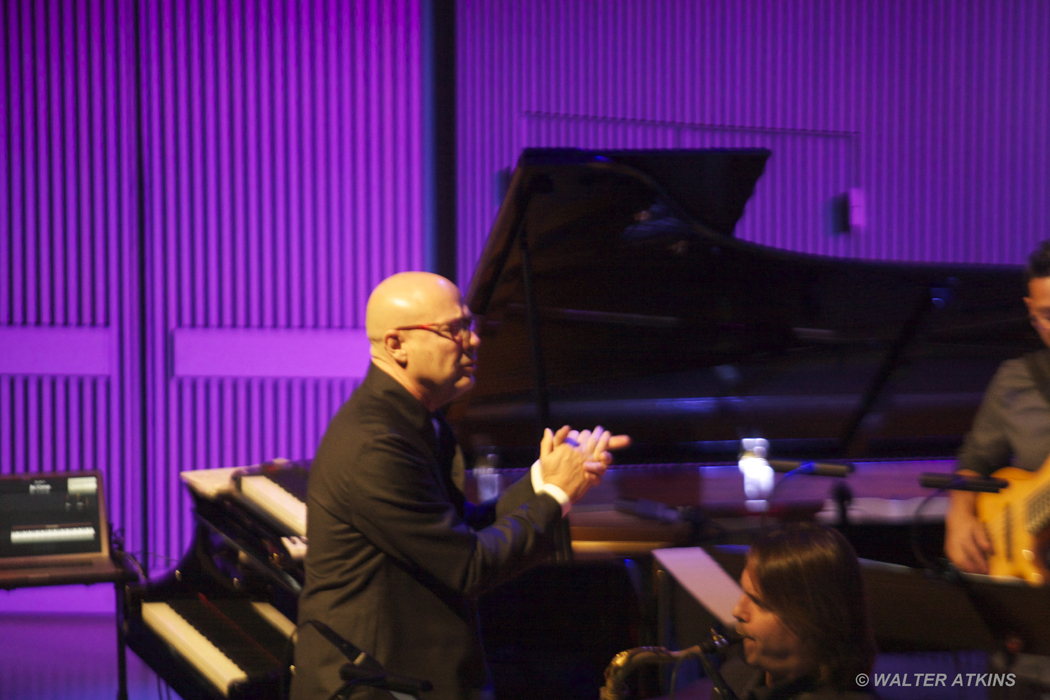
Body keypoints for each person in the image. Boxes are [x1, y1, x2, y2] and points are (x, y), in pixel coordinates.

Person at [290, 271, 628, 700]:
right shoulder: (375, 445)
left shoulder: (412, 419)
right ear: (397, 345)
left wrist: (544, 478)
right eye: (454, 329)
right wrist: (558, 495)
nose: (474, 340)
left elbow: (456, 529)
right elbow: (468, 567)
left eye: (470, 324)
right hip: (376, 685)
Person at [945, 240, 1050, 574]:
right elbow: (975, 460)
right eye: (1048, 315)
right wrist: (959, 516)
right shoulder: (1016, 379)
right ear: (1031, 311)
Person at [722, 523, 876, 700]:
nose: (737, 611)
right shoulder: (733, 677)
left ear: (814, 618)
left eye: (758, 602)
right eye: (743, 593)